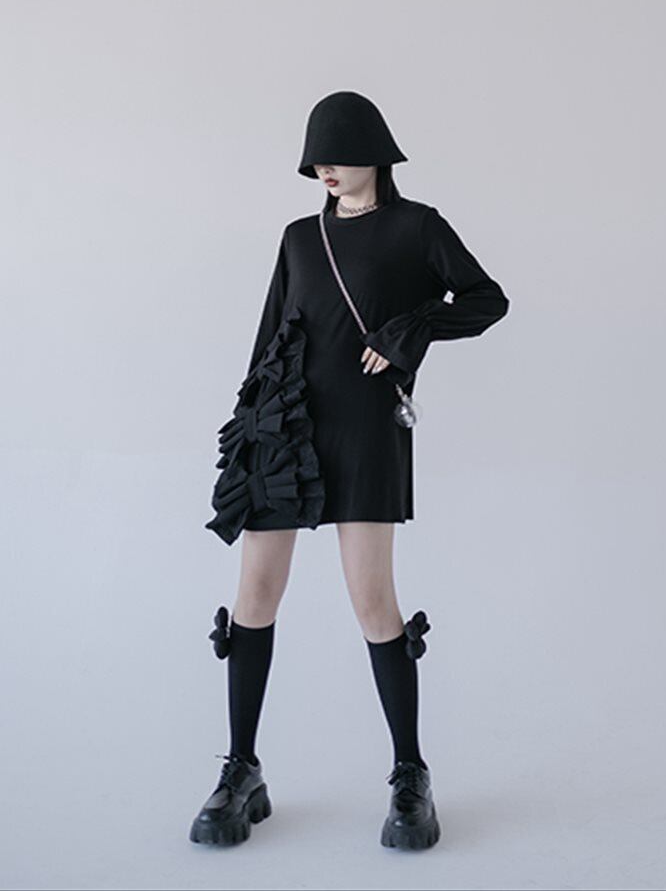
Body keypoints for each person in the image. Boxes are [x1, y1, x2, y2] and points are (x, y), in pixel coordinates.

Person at [191, 90, 510, 850]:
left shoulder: (417, 227)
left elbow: (487, 300)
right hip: (284, 430)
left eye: (335, 155)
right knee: (254, 595)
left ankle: (410, 775)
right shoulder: (300, 238)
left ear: (374, 151)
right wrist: (245, 434)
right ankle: (242, 770)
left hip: (366, 431)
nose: (324, 170)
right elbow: (270, 334)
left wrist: (412, 328)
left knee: (373, 602)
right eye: (315, 160)